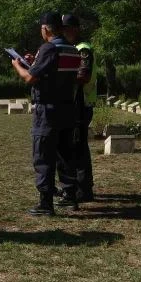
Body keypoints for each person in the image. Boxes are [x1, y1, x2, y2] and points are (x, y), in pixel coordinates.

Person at [11, 12, 81, 216]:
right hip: (68, 108)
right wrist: (35, 62)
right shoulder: (72, 49)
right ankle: (70, 196)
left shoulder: (49, 48)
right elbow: (57, 71)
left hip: (48, 110)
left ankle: (45, 202)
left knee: (44, 155)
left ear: (46, 28)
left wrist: (18, 66)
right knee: (66, 155)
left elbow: (30, 78)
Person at [58, 13, 96, 203]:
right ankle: (77, 186)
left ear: (75, 29)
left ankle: (84, 189)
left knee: (79, 147)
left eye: (66, 28)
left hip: (82, 104)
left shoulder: (83, 49)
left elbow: (84, 76)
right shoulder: (71, 48)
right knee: (75, 146)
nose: (64, 32)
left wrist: (62, 79)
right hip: (75, 103)